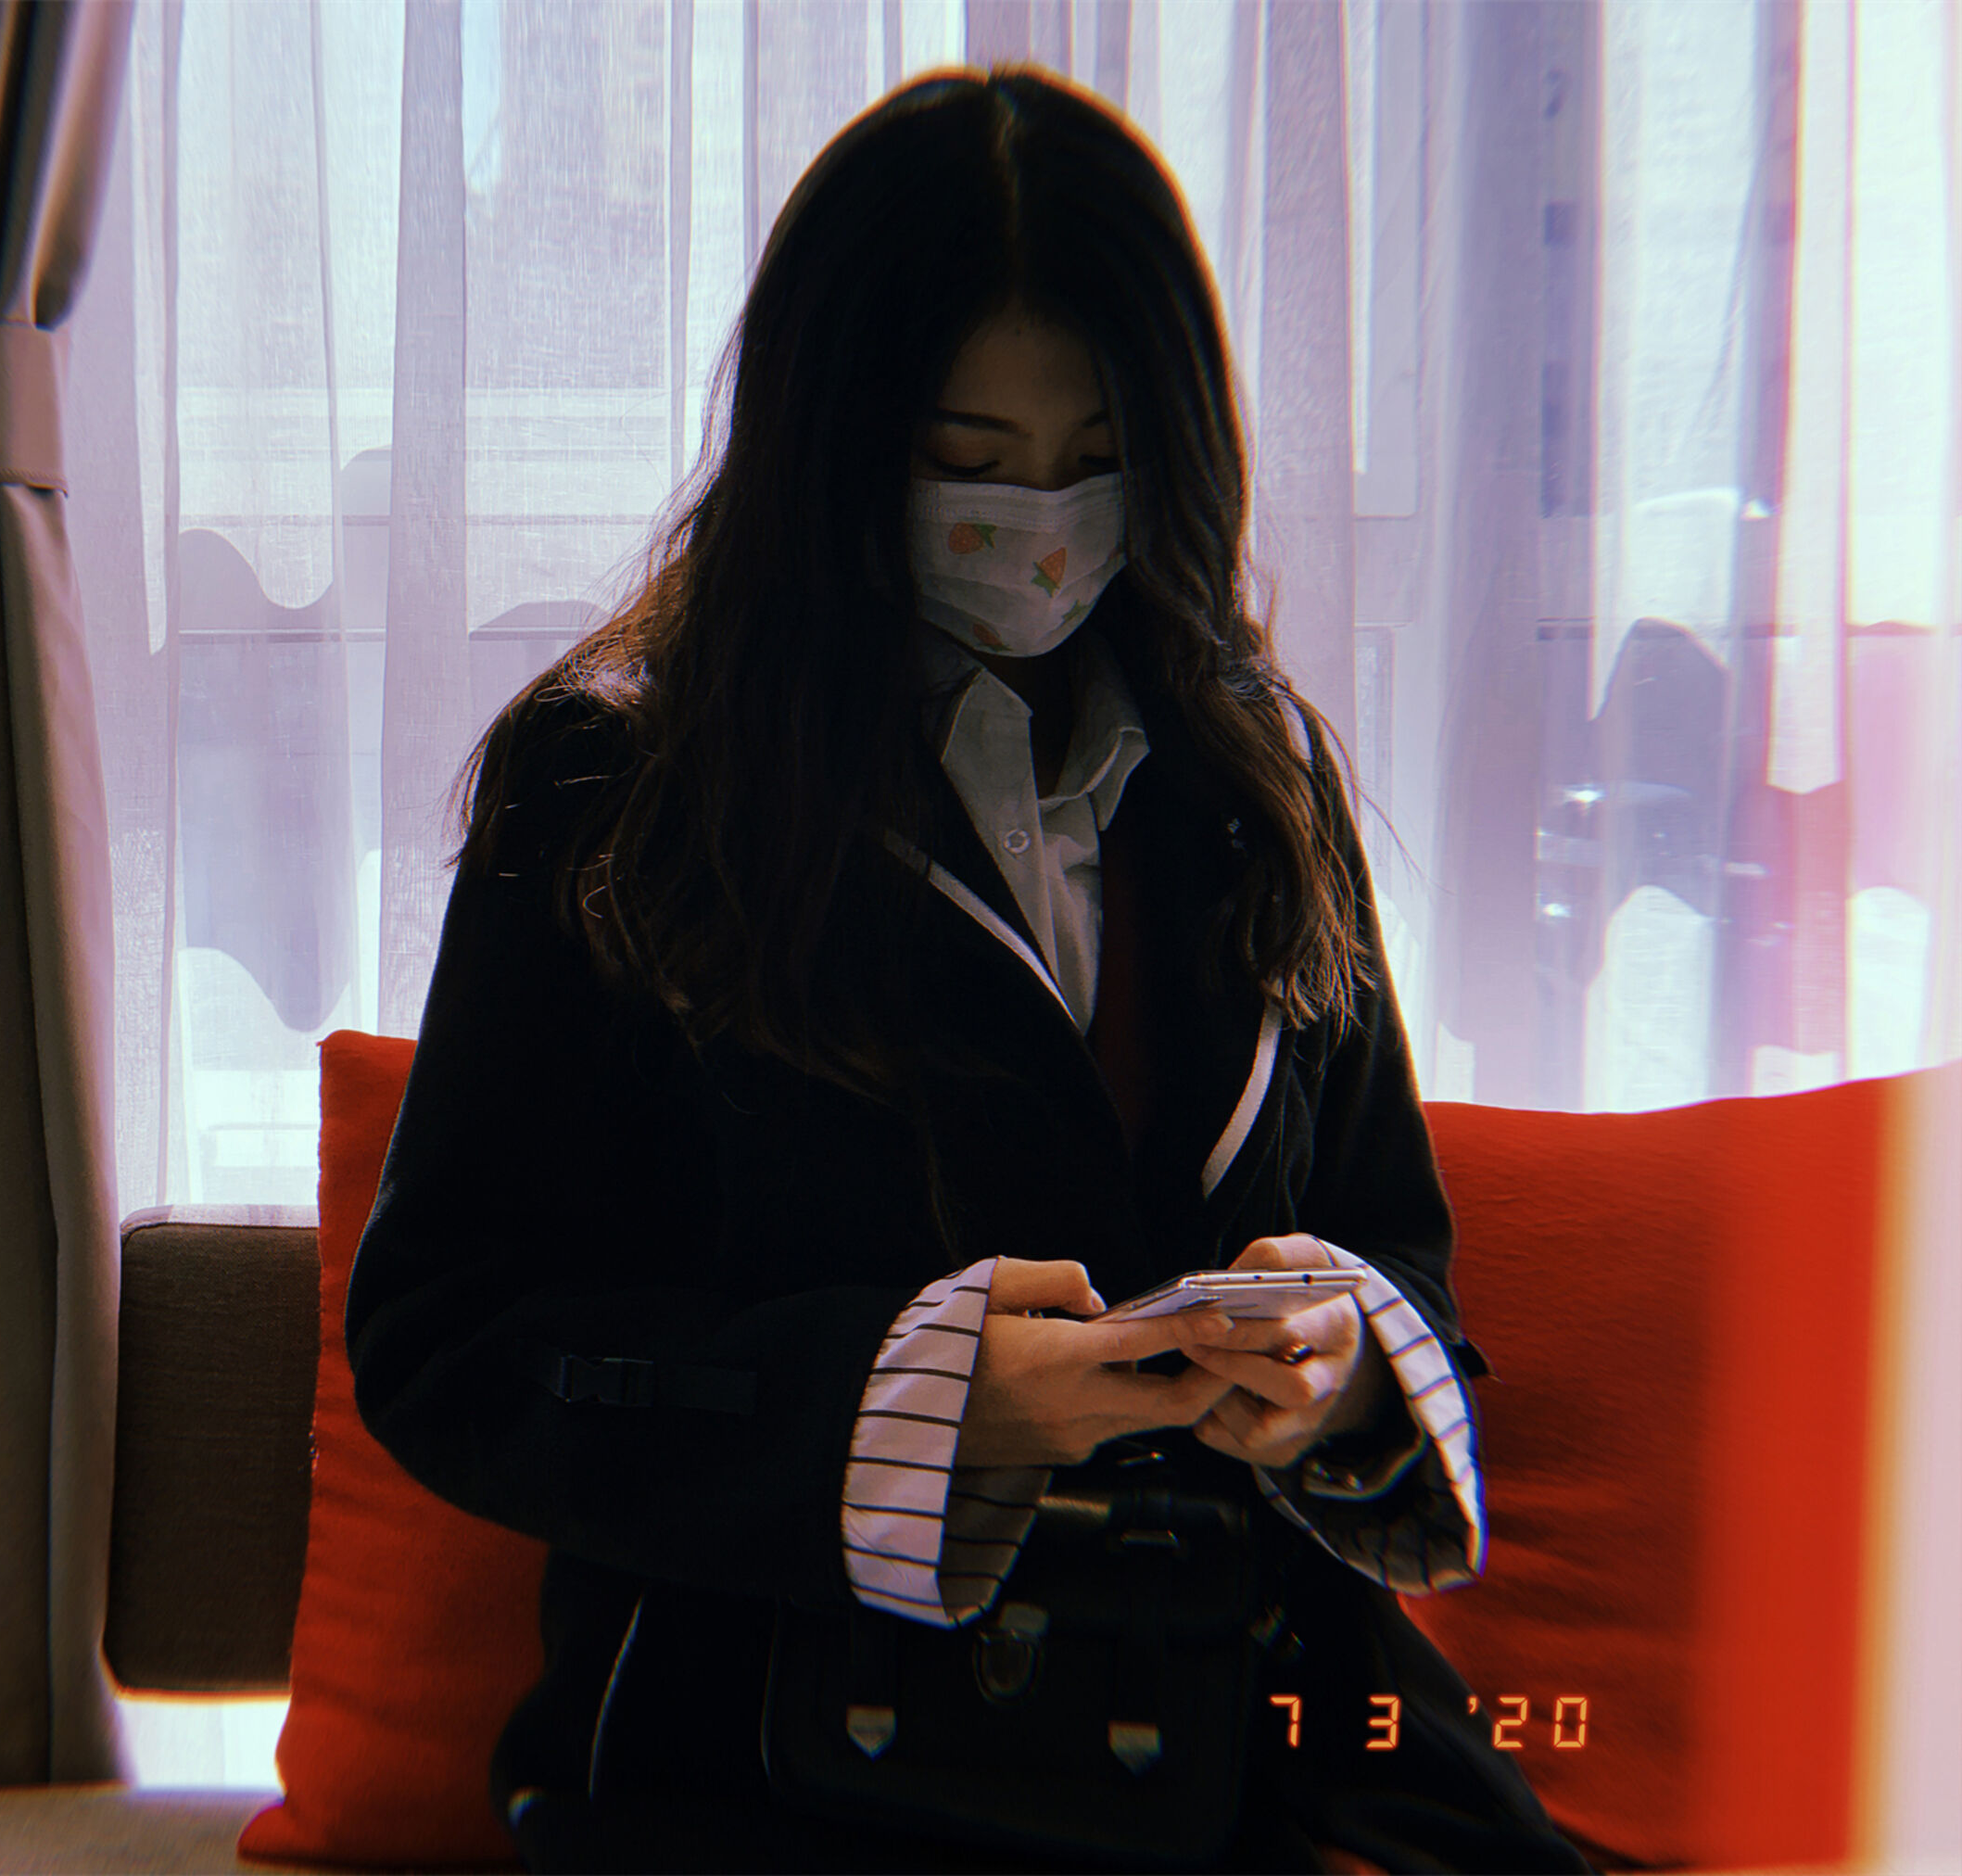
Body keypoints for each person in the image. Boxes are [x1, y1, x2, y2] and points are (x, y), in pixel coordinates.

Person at [346, 64, 1597, 1876]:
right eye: (971, 459)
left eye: (1098, 457)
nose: (1046, 524)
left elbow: (1394, 1245)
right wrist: (912, 1401)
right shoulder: (619, 783)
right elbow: (451, 1340)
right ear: (832, 439)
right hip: (773, 1759)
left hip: (1241, 1740)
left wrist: (1339, 1367)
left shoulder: (1251, 772)